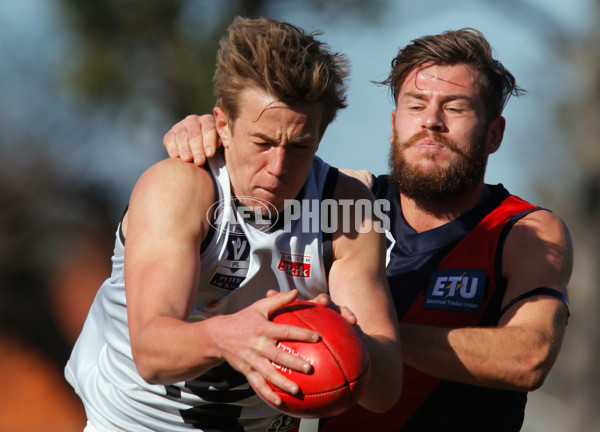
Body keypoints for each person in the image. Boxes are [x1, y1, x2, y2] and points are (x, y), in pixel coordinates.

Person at [164, 27, 573, 431]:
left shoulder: (524, 231)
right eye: (416, 105)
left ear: (494, 134)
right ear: (395, 122)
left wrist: (357, 338)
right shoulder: (347, 203)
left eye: (455, 107)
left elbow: (529, 356)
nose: (431, 121)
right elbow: (263, 159)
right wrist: (213, 133)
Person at [65, 16, 403, 432]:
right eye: (262, 142)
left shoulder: (346, 207)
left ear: (322, 132)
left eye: (300, 146)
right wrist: (230, 337)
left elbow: (384, 389)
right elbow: (152, 352)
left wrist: (344, 339)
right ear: (223, 124)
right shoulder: (181, 186)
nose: (278, 167)